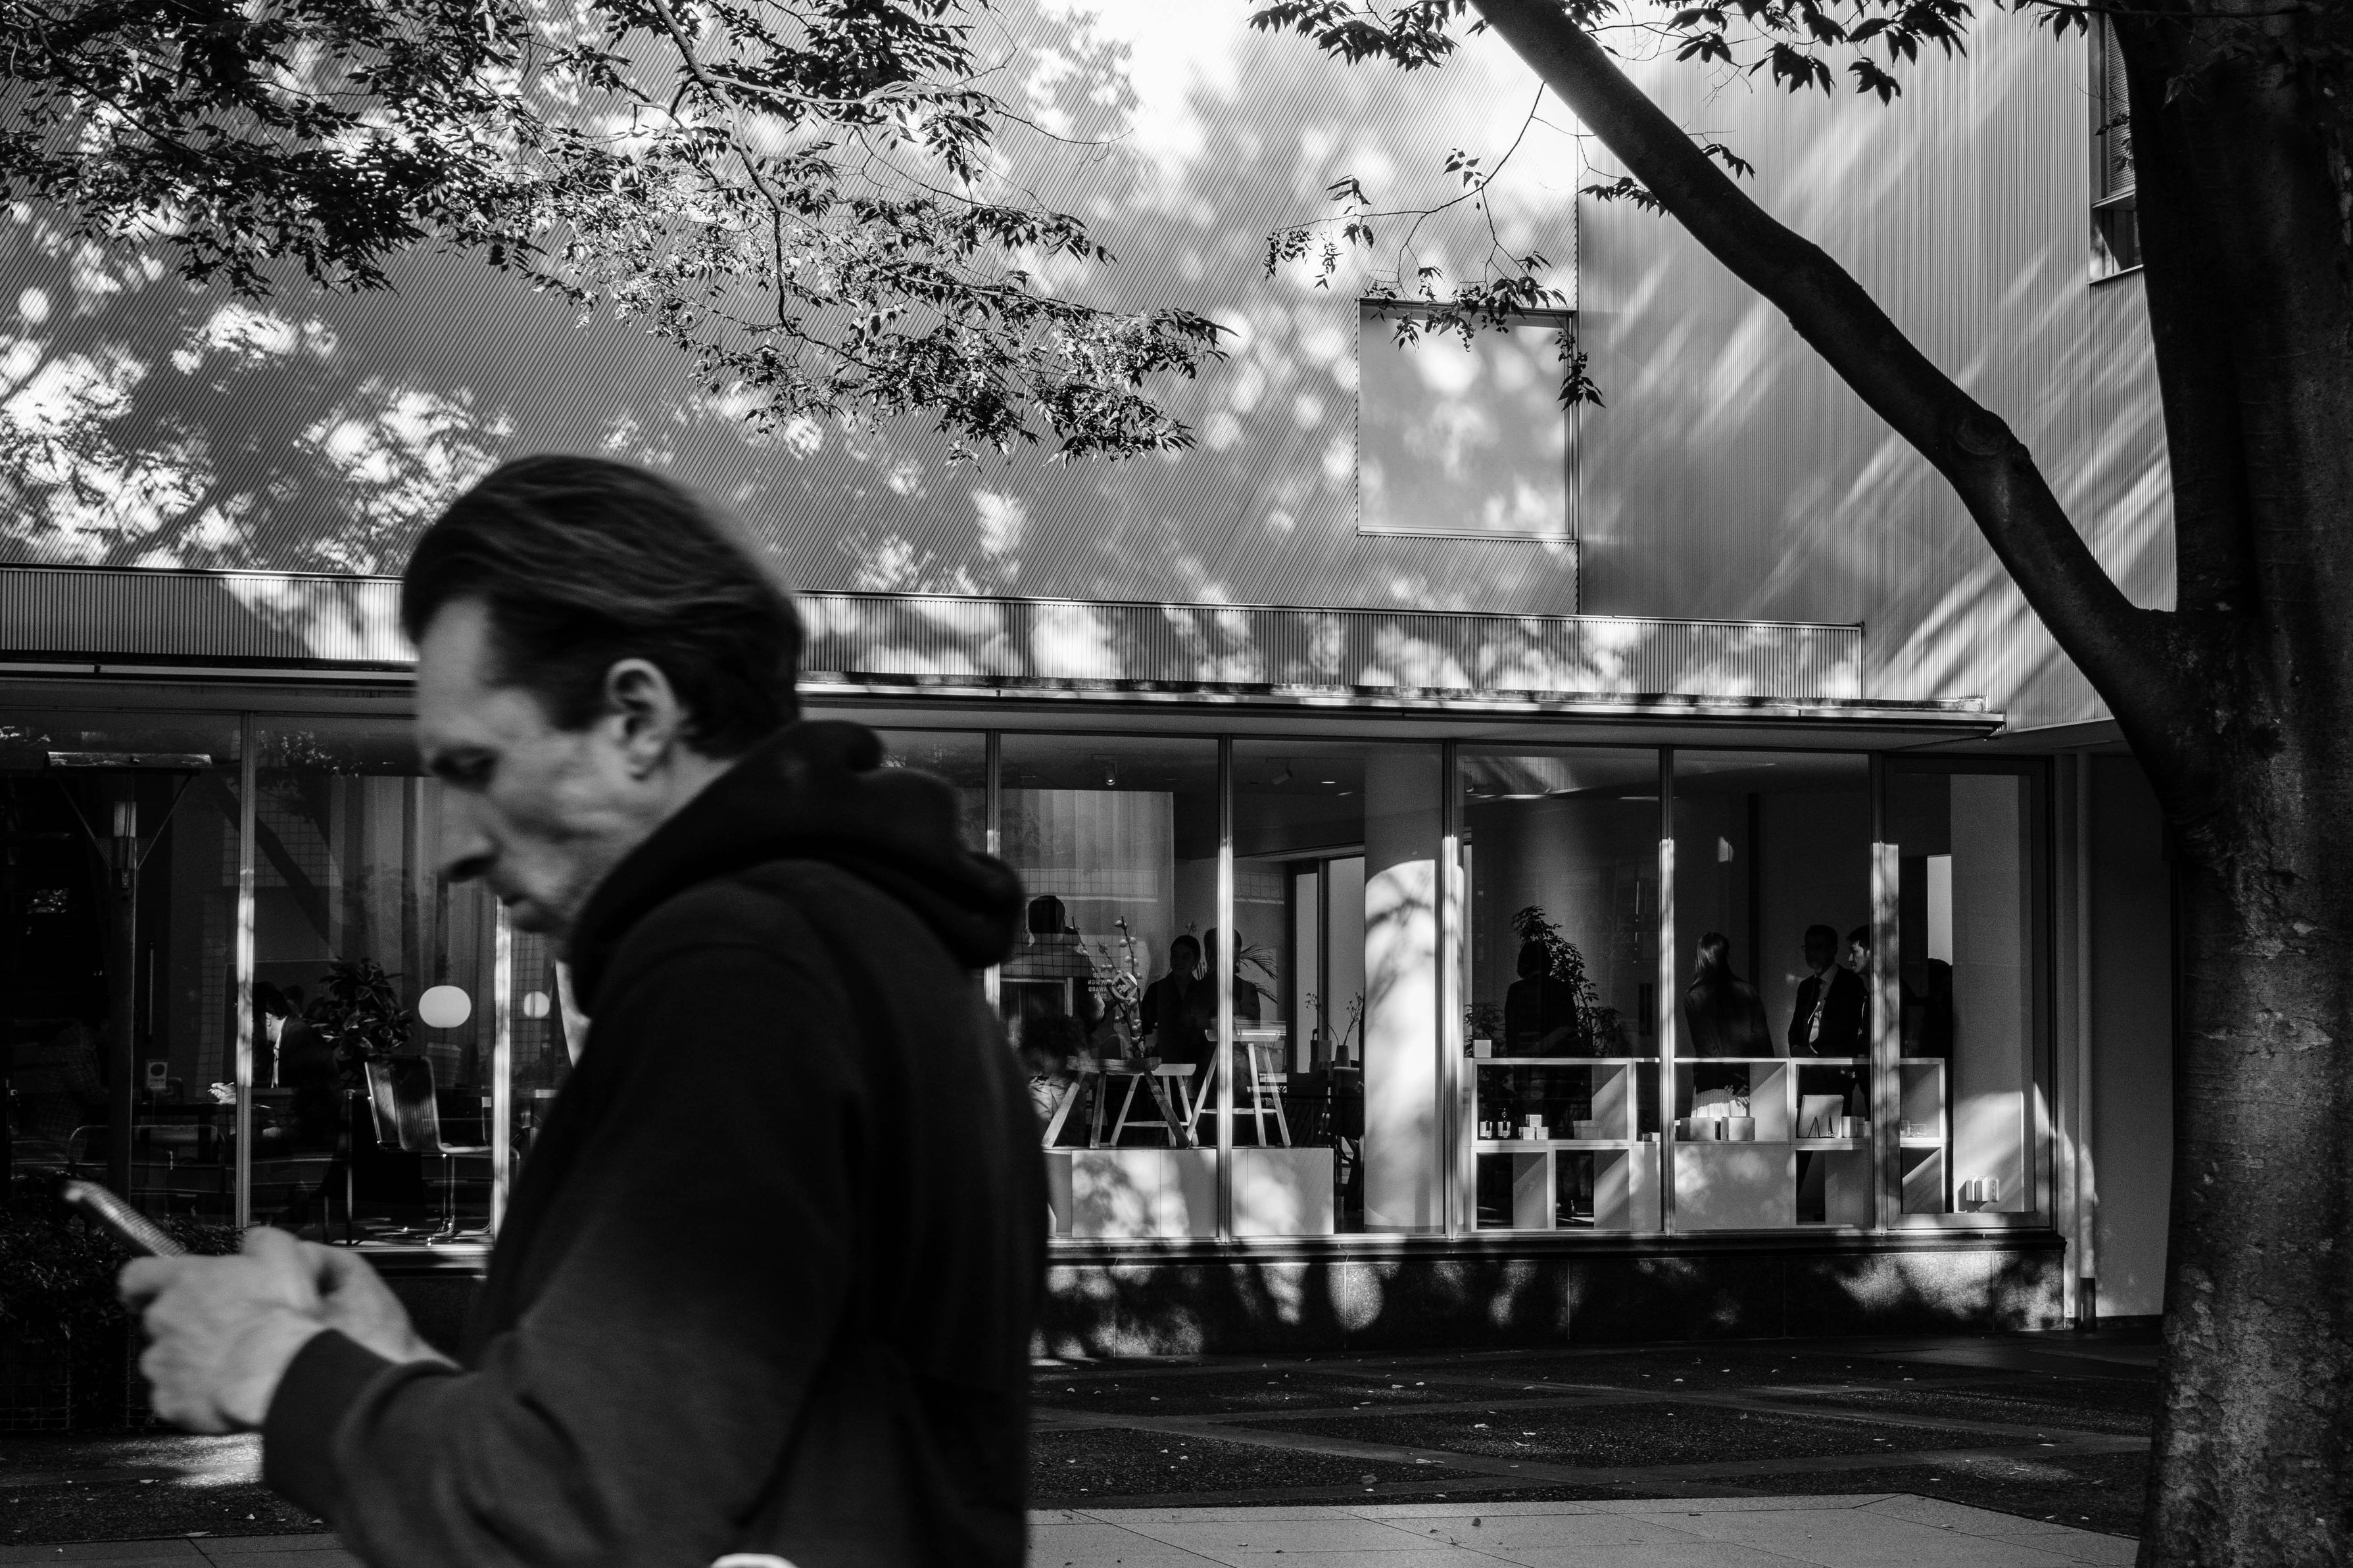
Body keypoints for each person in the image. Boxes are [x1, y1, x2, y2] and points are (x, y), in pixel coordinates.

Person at [120, 455, 1042, 1566]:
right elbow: (714, 1462)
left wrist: (274, 1369)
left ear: (637, 718)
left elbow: (574, 1518)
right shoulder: (870, 954)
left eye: (475, 766)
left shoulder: (740, 972)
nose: (454, 845)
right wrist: (397, 1374)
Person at [1681, 932, 1772, 1058]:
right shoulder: (1748, 992)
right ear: (1726, 956)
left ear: (1700, 958)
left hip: (1712, 1069)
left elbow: (1704, 1045)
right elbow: (1762, 1041)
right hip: (1745, 1068)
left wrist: (1722, 1063)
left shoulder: (1694, 997)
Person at [1789, 922, 1868, 1057]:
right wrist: (1795, 1048)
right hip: (1806, 1064)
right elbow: (1796, 1027)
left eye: (1818, 947)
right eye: (1808, 947)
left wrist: (1814, 1050)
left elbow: (1847, 1027)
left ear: (1833, 950)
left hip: (1836, 1062)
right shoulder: (1806, 986)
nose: (1811, 953)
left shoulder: (1850, 982)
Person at [1138, 934, 1206, 1069]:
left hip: (1196, 1062)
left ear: (1196, 960)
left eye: (1185, 957)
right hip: (1164, 1061)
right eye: (1175, 956)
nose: (1179, 962)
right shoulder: (1156, 990)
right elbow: (1145, 1027)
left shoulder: (1202, 991)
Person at [1503, 941, 1578, 1055]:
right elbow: (1569, 1027)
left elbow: (1511, 1031)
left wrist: (1517, 1057)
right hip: (1555, 1060)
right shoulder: (1561, 989)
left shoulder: (1516, 990)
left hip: (1523, 1059)